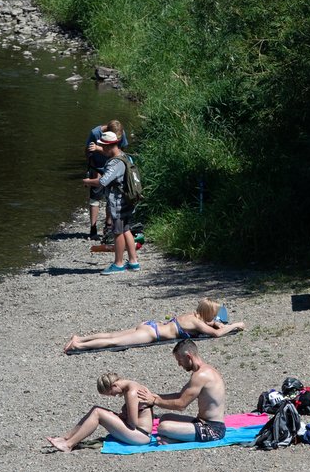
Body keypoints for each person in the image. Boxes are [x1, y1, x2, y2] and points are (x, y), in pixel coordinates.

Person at [64, 298, 245, 353]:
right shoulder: (197, 323)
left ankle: (80, 338)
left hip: (150, 325)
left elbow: (210, 324)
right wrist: (235, 325)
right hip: (152, 335)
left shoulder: (193, 316)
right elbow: (216, 334)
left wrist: (215, 323)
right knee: (114, 342)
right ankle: (79, 345)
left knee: (112, 335)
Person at [136, 339, 227, 444]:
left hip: (213, 429)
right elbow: (180, 395)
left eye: (180, 360)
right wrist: (155, 396)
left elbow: (181, 405)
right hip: (201, 421)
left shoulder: (201, 376)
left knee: (163, 427)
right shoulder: (203, 371)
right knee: (165, 418)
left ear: (188, 357)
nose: (179, 364)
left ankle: (175, 440)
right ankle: (175, 439)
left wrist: (155, 401)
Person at [46, 373, 154, 452]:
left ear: (114, 385)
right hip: (138, 432)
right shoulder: (133, 386)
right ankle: (66, 438)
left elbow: (133, 423)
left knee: (98, 412)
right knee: (96, 409)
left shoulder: (131, 392)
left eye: (112, 393)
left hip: (141, 435)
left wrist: (123, 416)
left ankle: (68, 445)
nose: (114, 396)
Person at [83, 131, 140, 275]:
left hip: (119, 202)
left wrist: (88, 181)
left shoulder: (115, 163)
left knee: (118, 231)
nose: (102, 150)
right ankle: (133, 262)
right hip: (128, 199)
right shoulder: (125, 156)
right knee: (126, 229)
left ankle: (118, 264)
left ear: (109, 146)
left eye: (103, 147)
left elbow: (103, 181)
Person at [84, 120, 128, 240]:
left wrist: (99, 149)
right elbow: (87, 152)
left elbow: (120, 152)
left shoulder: (121, 133)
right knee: (95, 197)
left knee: (111, 196)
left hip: (113, 167)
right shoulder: (95, 133)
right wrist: (92, 169)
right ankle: (93, 228)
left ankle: (108, 226)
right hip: (98, 167)